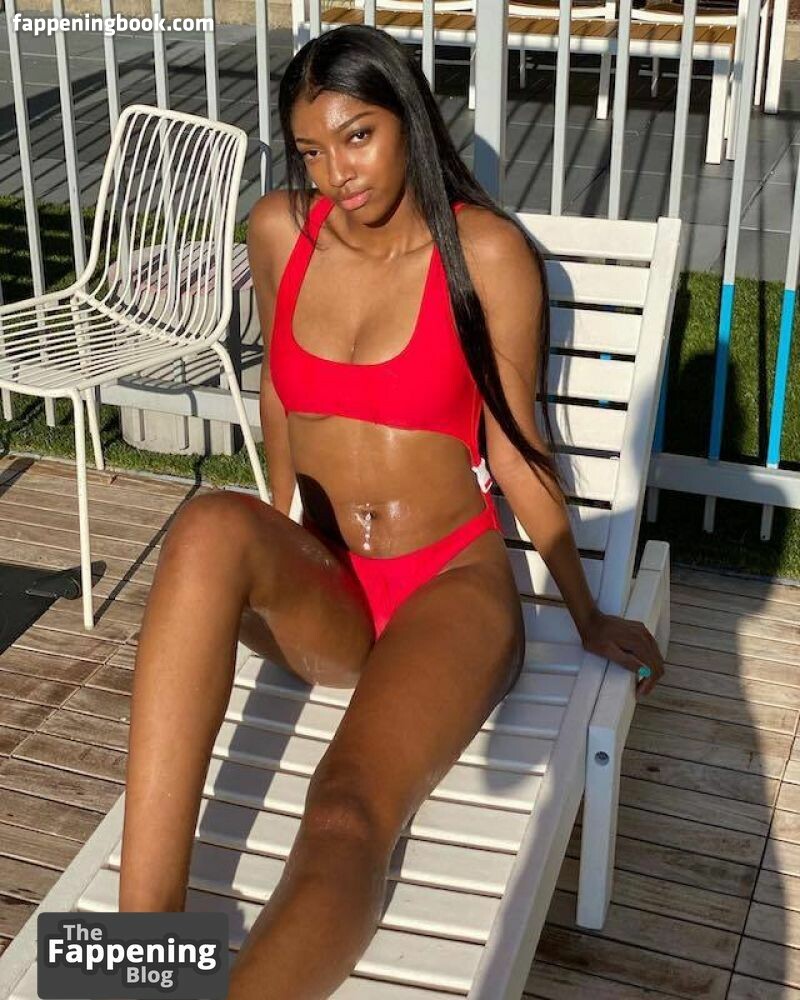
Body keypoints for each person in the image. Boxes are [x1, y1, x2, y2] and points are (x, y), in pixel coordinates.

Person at [117, 22, 666, 1000]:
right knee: (208, 526)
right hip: (328, 585)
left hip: (446, 588)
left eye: (357, 136)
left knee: (344, 811)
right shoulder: (277, 232)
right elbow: (279, 394)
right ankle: (137, 951)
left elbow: (515, 442)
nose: (336, 173)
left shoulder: (485, 253)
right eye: (311, 151)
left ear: (407, 120)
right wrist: (274, 532)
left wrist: (584, 609)